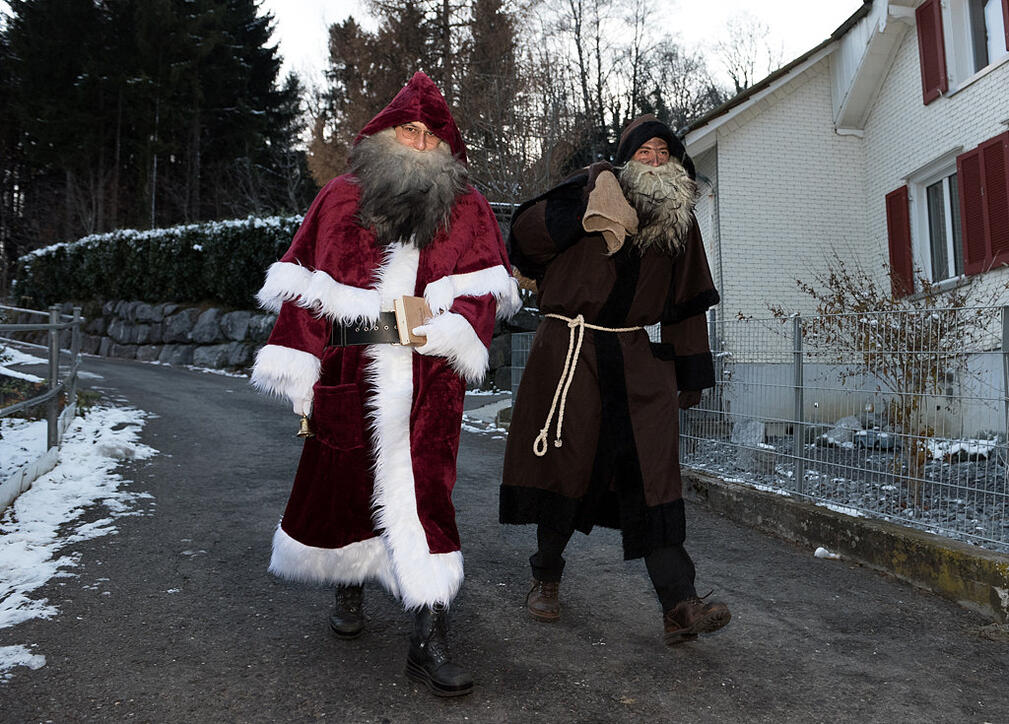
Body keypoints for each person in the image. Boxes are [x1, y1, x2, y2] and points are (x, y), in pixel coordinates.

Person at [251, 71, 521, 697]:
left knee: (427, 496)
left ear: (446, 147)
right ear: (385, 133)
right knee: (346, 484)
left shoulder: (470, 208)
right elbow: (305, 294)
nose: (420, 144)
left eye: (431, 136)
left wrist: (455, 329)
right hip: (351, 370)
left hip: (430, 381)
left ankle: (429, 638)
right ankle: (349, 580)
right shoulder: (340, 198)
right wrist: (300, 366)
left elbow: (485, 292)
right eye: (409, 130)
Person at [499, 114, 730, 645]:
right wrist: (585, 202)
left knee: (652, 475)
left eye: (662, 152)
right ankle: (545, 579)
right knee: (567, 463)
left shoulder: (680, 222)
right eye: (642, 152)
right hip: (569, 351)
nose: (653, 159)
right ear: (626, 160)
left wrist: (691, 369)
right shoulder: (588, 193)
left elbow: (688, 303)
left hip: (632, 355)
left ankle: (680, 604)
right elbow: (525, 239)